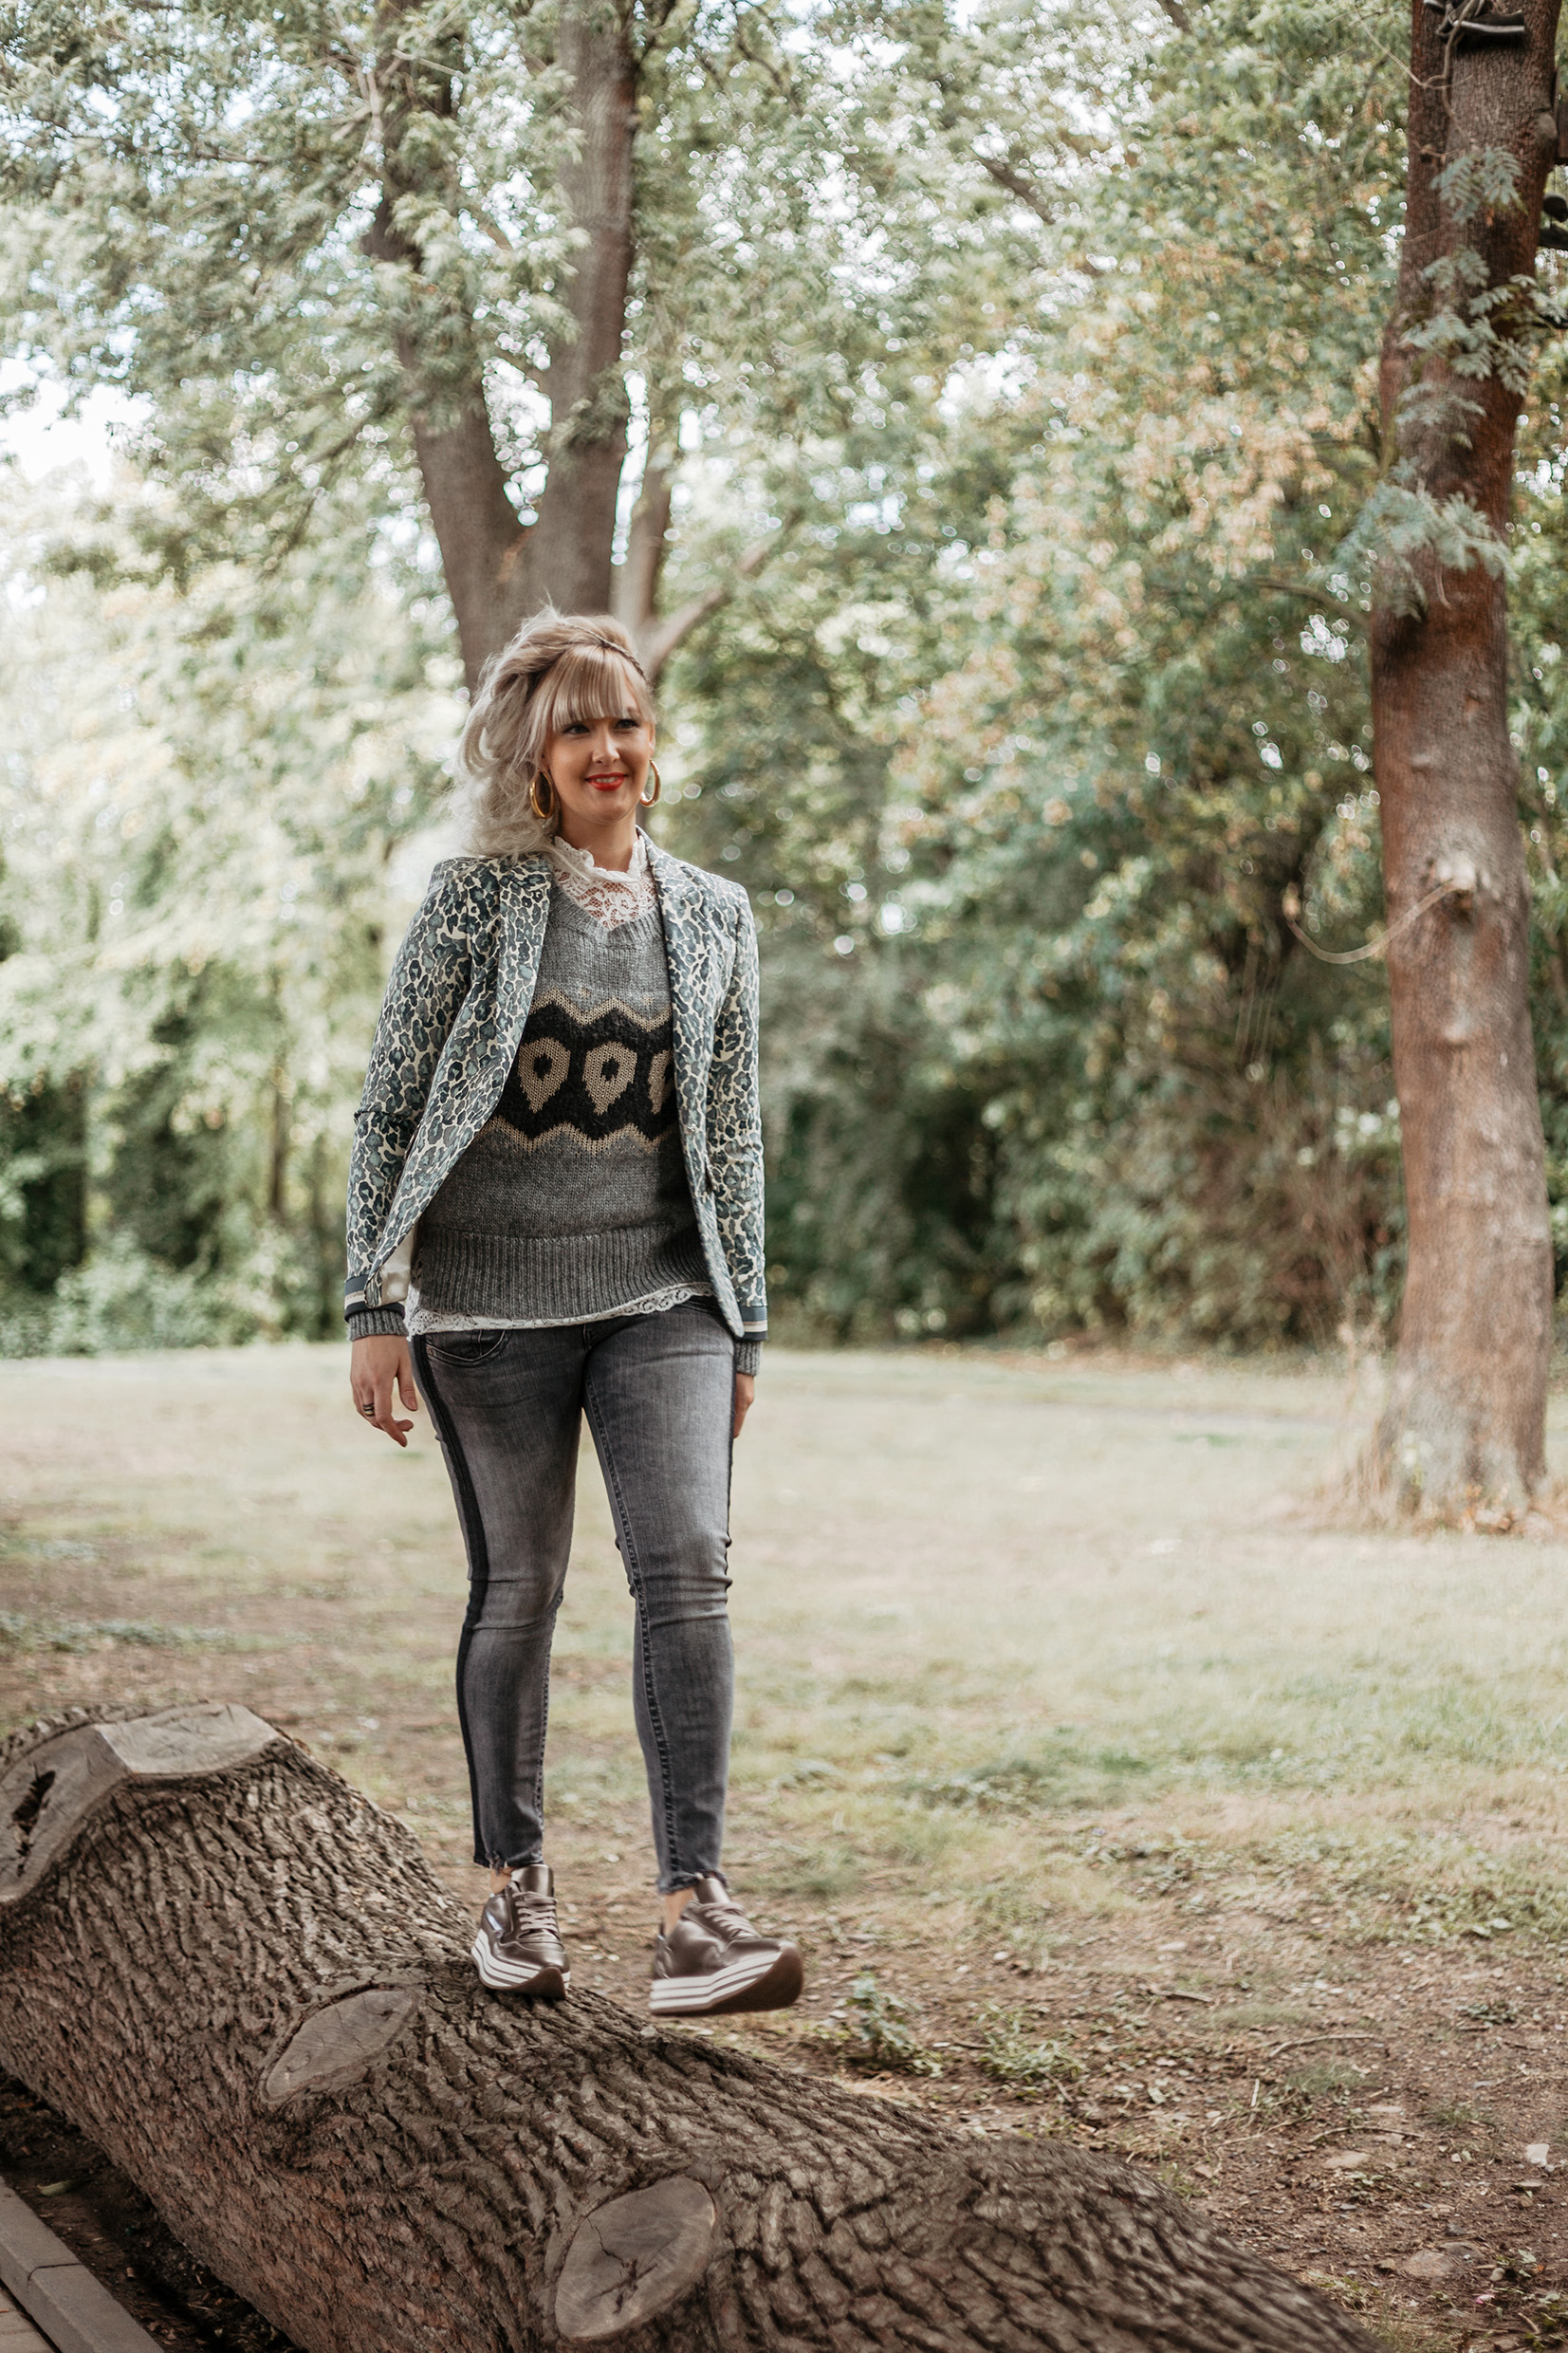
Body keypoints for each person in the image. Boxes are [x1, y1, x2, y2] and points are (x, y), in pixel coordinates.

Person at [344, 611, 802, 2020]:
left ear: (654, 745)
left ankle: (693, 1915)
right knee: (519, 1590)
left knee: (689, 1570)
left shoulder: (714, 913)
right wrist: (372, 1300)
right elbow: (392, 1101)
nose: (609, 748)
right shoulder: (474, 901)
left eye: (628, 722)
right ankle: (514, 1890)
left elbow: (731, 1129)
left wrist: (745, 1322)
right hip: (486, 1306)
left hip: (665, 1295)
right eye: (578, 727)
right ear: (535, 757)